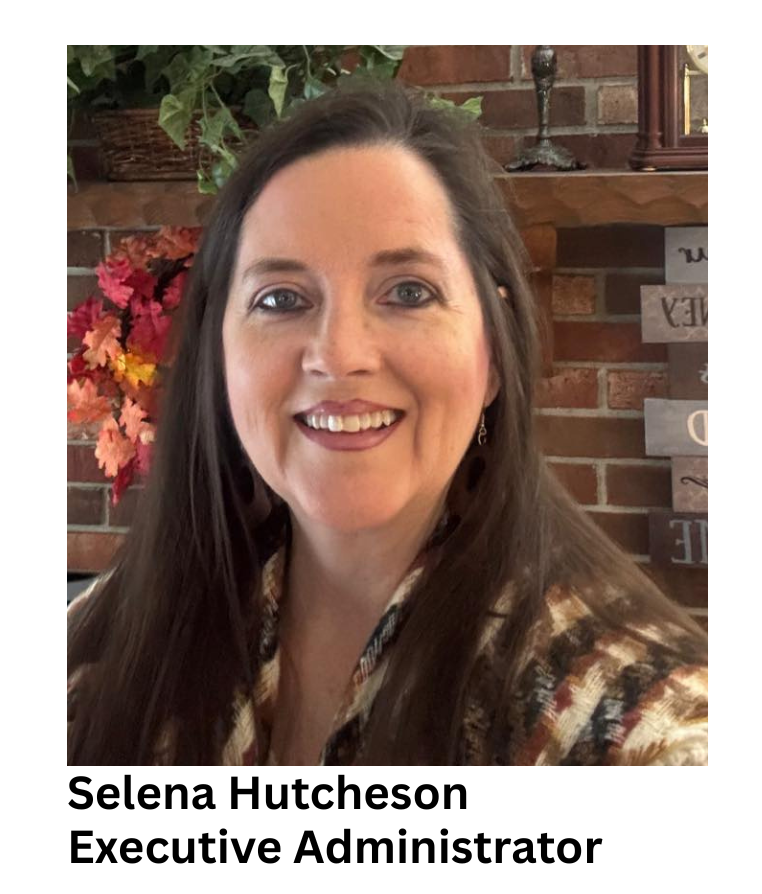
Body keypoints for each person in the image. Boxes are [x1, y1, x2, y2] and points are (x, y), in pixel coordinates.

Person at [68, 79, 708, 766]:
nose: (340, 355)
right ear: (218, 354)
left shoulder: (651, 736)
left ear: (493, 354)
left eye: (408, 292)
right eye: (281, 299)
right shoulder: (96, 647)